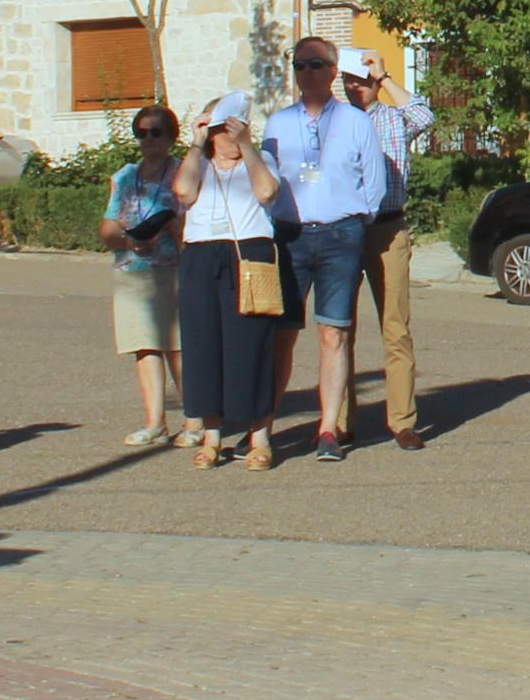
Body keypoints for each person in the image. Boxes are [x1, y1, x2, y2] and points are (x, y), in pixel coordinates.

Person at [262, 37, 385, 463]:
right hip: (291, 236)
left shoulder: (355, 121)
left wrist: (350, 221)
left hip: (339, 236)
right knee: (281, 336)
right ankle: (264, 428)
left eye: (316, 64)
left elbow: (374, 185)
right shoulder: (278, 123)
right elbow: (265, 180)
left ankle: (329, 429)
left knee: (334, 332)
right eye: (300, 65)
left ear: (333, 71)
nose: (307, 72)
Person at [171, 91, 291, 469]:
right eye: (219, 129)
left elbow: (268, 191)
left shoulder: (261, 159)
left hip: (249, 253)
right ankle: (211, 436)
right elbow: (182, 192)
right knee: (203, 345)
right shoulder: (198, 163)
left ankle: (259, 437)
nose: (225, 137)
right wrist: (195, 142)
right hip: (202, 254)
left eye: (231, 128)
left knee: (251, 345)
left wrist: (247, 146)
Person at [339, 46, 436, 451]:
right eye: (349, 80)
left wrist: (384, 77)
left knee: (395, 327)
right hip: (343, 230)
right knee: (339, 328)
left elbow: (425, 117)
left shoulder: (393, 118)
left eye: (362, 81)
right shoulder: (334, 123)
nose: (355, 88)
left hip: (387, 228)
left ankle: (402, 420)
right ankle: (339, 420)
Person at [99, 105, 187, 448]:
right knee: (143, 346)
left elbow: (190, 227)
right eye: (142, 133)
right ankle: (155, 422)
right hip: (131, 269)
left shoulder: (182, 174)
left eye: (156, 133)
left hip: (172, 269)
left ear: (171, 137)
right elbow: (106, 227)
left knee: (177, 347)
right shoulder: (124, 177)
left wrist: (167, 223)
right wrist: (128, 240)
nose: (148, 140)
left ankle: (193, 420)